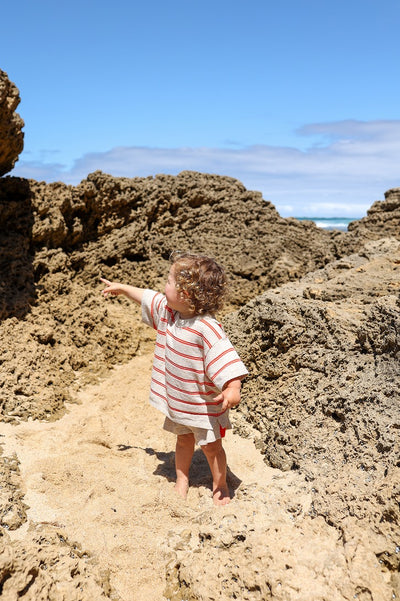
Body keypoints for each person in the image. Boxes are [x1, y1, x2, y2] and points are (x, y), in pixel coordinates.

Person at [101, 251, 248, 506]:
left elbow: (227, 359)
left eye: (169, 281)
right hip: (179, 402)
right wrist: (124, 289)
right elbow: (148, 297)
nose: (163, 285)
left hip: (203, 407)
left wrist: (232, 388)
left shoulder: (207, 327)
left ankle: (220, 484)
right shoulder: (169, 314)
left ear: (187, 294)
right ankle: (182, 479)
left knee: (212, 448)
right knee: (182, 441)